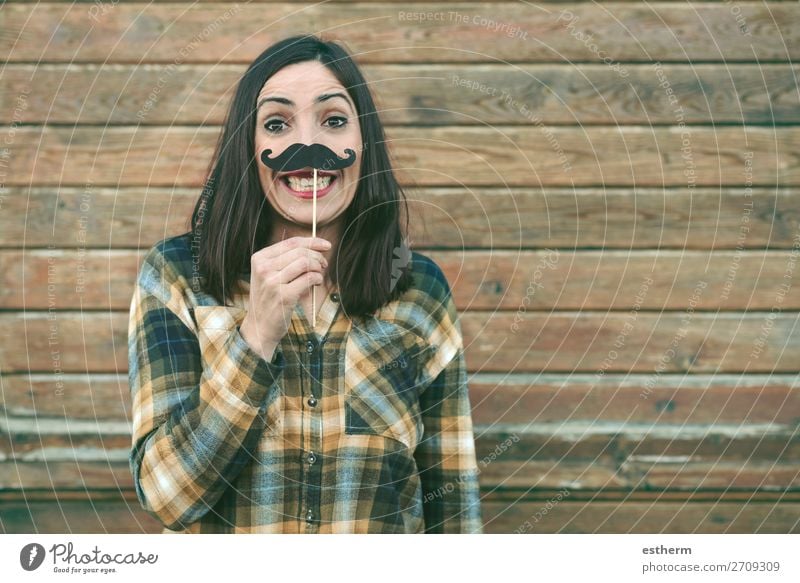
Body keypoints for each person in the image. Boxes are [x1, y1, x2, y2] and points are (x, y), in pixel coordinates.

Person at [127, 34, 483, 534]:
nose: (308, 146)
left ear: (363, 143)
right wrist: (255, 336)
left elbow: (453, 501)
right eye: (277, 123)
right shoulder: (178, 276)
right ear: (249, 150)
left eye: (334, 121)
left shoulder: (419, 289)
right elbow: (167, 498)